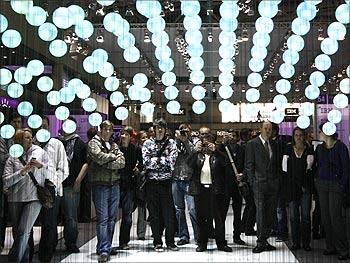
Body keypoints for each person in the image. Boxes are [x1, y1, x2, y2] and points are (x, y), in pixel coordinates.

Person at [3, 128, 47, 263]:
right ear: (18, 140)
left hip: (34, 197)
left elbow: (50, 172)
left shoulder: (40, 152)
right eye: (26, 137)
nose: (30, 140)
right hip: (15, 198)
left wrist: (41, 166)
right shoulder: (13, 156)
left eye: (30, 137)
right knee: (20, 234)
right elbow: (6, 180)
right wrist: (22, 172)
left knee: (23, 232)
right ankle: (25, 260)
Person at [88, 120, 125, 262]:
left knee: (111, 218)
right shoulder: (94, 143)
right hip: (100, 185)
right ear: (101, 130)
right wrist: (112, 158)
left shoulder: (113, 144)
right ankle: (104, 249)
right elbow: (99, 157)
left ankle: (106, 246)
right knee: (103, 219)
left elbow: (122, 162)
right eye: (106, 129)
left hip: (114, 184)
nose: (108, 132)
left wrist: (108, 162)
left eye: (110, 129)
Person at [189, 133, 232, 253]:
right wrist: (194, 151)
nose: (206, 144)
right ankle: (202, 243)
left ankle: (221, 243)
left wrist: (217, 151)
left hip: (216, 190)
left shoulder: (218, 155)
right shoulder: (198, 155)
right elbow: (188, 164)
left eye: (209, 141)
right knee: (201, 218)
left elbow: (226, 163)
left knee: (218, 219)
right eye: (204, 141)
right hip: (201, 190)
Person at [142, 118, 178, 252]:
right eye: (158, 127)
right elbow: (146, 162)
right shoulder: (147, 143)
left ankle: (170, 242)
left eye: (162, 127)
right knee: (154, 214)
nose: (160, 130)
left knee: (169, 214)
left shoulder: (171, 143)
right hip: (151, 183)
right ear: (154, 129)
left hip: (166, 183)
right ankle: (157, 242)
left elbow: (172, 162)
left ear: (166, 129)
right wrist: (163, 160)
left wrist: (156, 160)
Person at [314, 123, 349, 260]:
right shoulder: (320, 148)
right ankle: (330, 246)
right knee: (326, 218)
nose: (319, 134)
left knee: (336, 218)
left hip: (335, 185)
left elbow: (346, 168)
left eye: (321, 131)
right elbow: (317, 165)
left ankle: (343, 248)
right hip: (322, 185)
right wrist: (317, 180)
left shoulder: (341, 147)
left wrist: (342, 184)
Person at [37, 116, 70, 262]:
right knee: (34, 224)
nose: (42, 128)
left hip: (51, 190)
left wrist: (52, 182)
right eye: (39, 125)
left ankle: (46, 256)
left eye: (44, 125)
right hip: (34, 189)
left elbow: (63, 169)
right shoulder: (32, 143)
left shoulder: (56, 144)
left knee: (49, 223)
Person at [245, 121, 279, 253]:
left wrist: (277, 180)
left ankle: (265, 239)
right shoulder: (252, 144)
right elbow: (249, 165)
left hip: (272, 184)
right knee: (260, 213)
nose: (268, 131)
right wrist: (253, 182)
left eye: (270, 129)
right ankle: (260, 242)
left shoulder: (274, 144)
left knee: (270, 213)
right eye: (265, 128)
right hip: (259, 184)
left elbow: (276, 164)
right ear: (261, 129)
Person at [60, 117, 88, 254]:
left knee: (71, 216)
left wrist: (78, 181)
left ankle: (70, 242)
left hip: (71, 184)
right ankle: (49, 243)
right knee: (52, 217)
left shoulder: (80, 144)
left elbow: (86, 163)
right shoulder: (57, 141)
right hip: (55, 184)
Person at [282, 127, 313, 251]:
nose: (299, 137)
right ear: (293, 137)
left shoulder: (309, 149)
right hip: (291, 188)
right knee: (294, 217)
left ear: (304, 136)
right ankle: (295, 242)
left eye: (301, 135)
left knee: (305, 217)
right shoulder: (288, 149)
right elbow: (284, 169)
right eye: (296, 135)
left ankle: (306, 243)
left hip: (305, 188)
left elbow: (310, 170)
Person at [172, 124, 199, 246]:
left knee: (193, 209)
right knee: (179, 210)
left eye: (186, 131)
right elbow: (171, 156)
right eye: (182, 132)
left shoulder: (194, 142)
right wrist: (178, 141)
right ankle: (183, 235)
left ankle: (198, 236)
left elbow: (194, 153)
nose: (184, 133)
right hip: (176, 179)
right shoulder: (173, 143)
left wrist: (186, 141)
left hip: (189, 180)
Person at [0, 114, 23, 253]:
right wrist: (17, 152)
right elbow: (3, 158)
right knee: (3, 213)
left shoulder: (24, 138)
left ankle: (18, 247)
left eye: (19, 121)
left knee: (17, 217)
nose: (17, 124)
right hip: (5, 178)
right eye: (14, 121)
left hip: (21, 181)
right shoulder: (4, 138)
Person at [117, 126, 143, 250]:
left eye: (126, 134)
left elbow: (142, 163)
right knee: (111, 216)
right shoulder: (116, 148)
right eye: (122, 134)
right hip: (116, 184)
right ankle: (107, 243)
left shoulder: (136, 149)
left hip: (130, 185)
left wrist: (138, 169)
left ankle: (124, 241)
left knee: (127, 215)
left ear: (130, 136)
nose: (124, 136)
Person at [219, 129, 245, 245]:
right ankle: (221, 236)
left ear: (238, 137)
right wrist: (222, 143)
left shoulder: (242, 149)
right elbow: (217, 160)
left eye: (234, 135)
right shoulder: (223, 148)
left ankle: (237, 235)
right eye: (230, 136)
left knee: (237, 211)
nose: (232, 138)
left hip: (237, 184)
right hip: (225, 184)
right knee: (222, 212)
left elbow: (246, 164)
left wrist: (243, 174)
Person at [271, 123, 288, 242]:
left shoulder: (281, 144)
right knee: (273, 208)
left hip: (279, 180)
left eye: (269, 130)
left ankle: (282, 232)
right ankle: (275, 229)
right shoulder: (266, 144)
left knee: (279, 208)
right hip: (269, 181)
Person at [135, 130, 148, 240]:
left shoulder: (150, 149)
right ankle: (141, 232)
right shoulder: (136, 150)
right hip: (138, 183)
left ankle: (144, 232)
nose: (145, 140)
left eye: (146, 137)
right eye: (143, 138)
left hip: (148, 181)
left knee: (148, 208)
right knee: (141, 208)